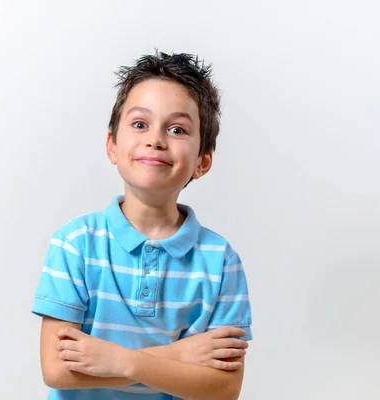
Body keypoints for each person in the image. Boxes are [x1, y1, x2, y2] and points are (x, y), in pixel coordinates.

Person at [31, 50, 253, 400]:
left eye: (177, 129)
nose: (156, 139)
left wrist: (120, 361)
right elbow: (57, 371)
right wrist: (178, 357)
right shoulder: (75, 243)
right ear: (113, 146)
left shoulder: (220, 261)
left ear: (203, 160)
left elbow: (223, 388)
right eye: (139, 124)